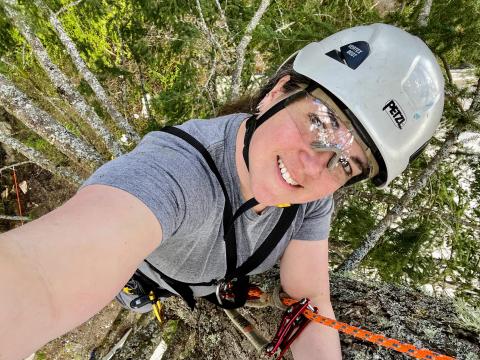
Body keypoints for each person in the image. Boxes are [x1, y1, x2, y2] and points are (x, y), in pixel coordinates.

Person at [0, 23, 444, 360]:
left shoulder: (313, 199)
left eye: (347, 162)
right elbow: (42, 280)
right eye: (321, 121)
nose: (315, 164)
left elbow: (310, 299)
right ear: (277, 92)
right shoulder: (175, 172)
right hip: (148, 274)